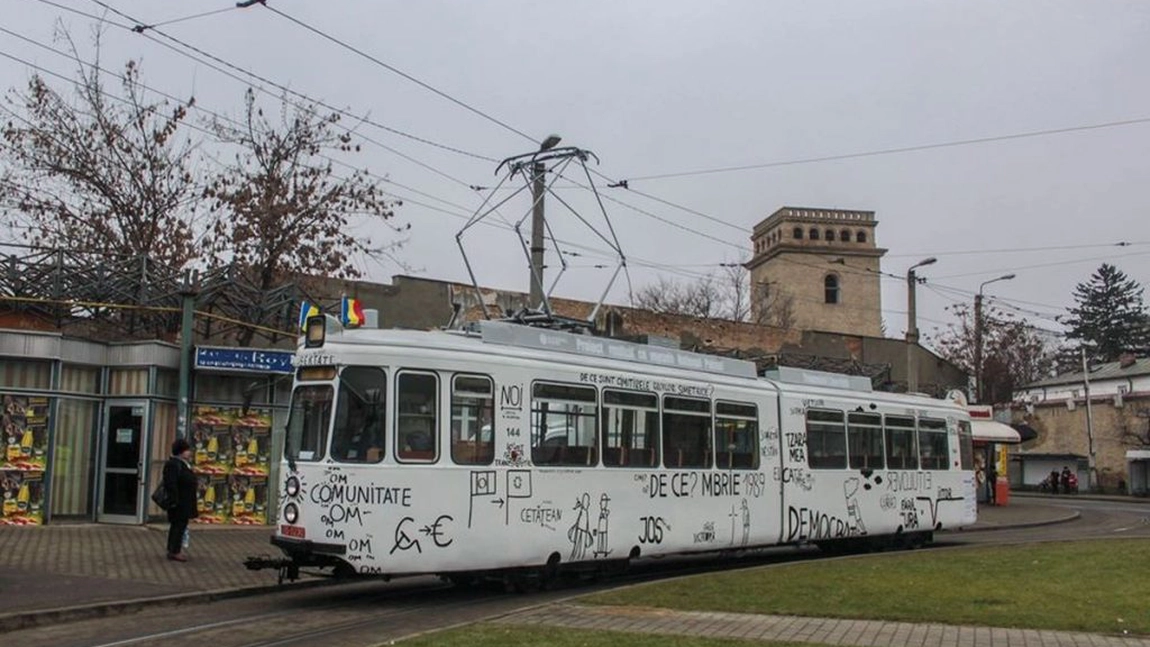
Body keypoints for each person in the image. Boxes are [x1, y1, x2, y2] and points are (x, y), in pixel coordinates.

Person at [163, 438, 198, 561]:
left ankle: (173, 549)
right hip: (178, 502)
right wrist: (174, 500)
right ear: (180, 452)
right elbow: (170, 483)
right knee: (178, 525)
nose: (189, 453)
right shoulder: (173, 464)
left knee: (180, 525)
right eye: (186, 450)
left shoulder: (183, 464)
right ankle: (174, 551)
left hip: (184, 501)